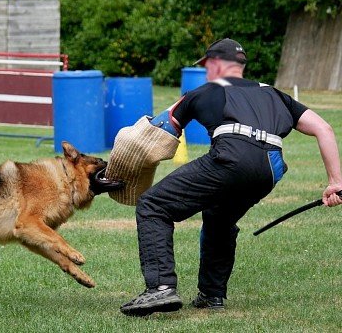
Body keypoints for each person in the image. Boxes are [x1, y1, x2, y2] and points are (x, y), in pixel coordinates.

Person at [119, 38, 342, 317]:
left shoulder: (204, 92)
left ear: (215, 64)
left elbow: (154, 133)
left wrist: (117, 171)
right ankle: (212, 295)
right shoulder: (274, 93)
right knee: (220, 217)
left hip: (232, 157)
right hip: (270, 168)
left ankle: (160, 288)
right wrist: (336, 181)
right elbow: (324, 129)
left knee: (153, 205)